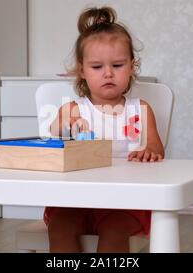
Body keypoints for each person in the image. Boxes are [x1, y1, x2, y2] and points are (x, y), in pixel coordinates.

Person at [45, 6, 165, 253]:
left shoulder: (140, 110)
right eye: (97, 67)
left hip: (125, 202)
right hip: (76, 200)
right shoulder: (74, 109)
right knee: (59, 226)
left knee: (114, 230)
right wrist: (62, 127)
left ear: (132, 66)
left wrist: (150, 151)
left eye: (118, 65)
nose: (108, 73)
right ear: (82, 70)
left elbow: (156, 148)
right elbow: (53, 136)